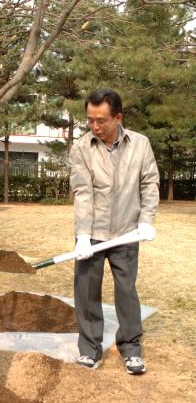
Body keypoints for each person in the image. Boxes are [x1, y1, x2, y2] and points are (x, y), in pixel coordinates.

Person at [69, 89, 159, 374]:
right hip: (92, 234)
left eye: (102, 120)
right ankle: (89, 349)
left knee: (126, 291)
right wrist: (83, 234)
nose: (95, 127)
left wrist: (146, 221)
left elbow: (149, 184)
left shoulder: (140, 145)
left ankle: (131, 348)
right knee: (86, 292)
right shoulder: (82, 148)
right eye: (90, 120)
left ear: (118, 117)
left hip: (126, 233)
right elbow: (83, 192)